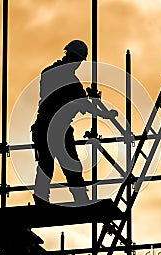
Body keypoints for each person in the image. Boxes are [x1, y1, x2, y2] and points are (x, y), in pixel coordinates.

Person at [31, 39, 117, 206]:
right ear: (71, 57)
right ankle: (49, 200)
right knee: (49, 165)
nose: (77, 65)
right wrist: (102, 112)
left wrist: (100, 110)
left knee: (63, 166)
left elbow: (82, 103)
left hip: (57, 128)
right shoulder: (64, 79)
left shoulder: (54, 74)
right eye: (77, 61)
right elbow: (75, 102)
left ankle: (66, 199)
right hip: (48, 126)